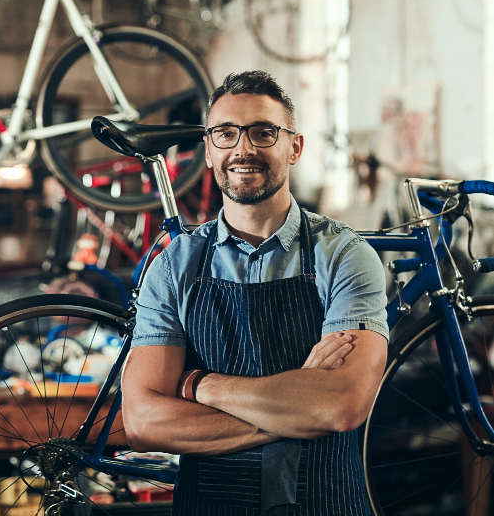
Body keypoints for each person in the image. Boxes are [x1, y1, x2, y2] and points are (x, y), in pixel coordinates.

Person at [121, 70, 388, 516]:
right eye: (226, 134)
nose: (243, 149)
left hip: (326, 505)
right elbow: (144, 422)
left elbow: (340, 406)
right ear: (208, 150)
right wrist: (299, 412)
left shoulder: (343, 255)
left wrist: (198, 385)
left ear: (294, 147)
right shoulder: (173, 267)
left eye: (263, 133)